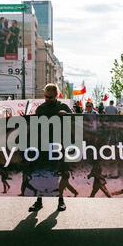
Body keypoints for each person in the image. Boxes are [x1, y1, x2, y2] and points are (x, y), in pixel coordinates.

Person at [29, 84, 72, 213]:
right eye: (46, 96)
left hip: (58, 146)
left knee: (59, 174)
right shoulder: (40, 108)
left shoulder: (63, 107)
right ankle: (39, 200)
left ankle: (61, 200)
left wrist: (67, 115)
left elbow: (76, 124)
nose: (47, 99)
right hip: (43, 147)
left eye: (50, 97)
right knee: (41, 173)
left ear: (57, 95)